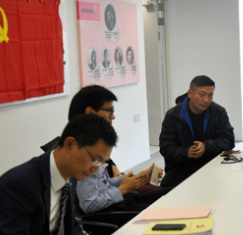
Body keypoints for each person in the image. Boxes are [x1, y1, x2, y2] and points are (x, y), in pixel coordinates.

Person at [68, 85, 169, 222]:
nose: (113, 116)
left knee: (170, 194)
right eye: (110, 111)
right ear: (90, 112)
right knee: (165, 212)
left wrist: (137, 178)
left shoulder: (95, 141)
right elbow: (89, 204)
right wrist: (122, 189)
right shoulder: (84, 150)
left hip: (116, 201)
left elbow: (102, 184)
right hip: (107, 213)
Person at [159, 75, 235, 188]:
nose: (206, 100)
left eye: (210, 95)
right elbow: (165, 147)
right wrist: (186, 152)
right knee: (167, 188)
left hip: (212, 164)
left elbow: (229, 140)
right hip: (182, 167)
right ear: (190, 93)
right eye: (202, 94)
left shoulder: (218, 112)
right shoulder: (173, 116)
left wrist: (206, 147)